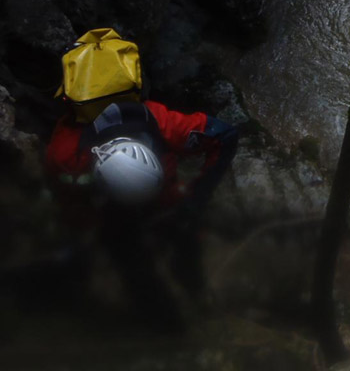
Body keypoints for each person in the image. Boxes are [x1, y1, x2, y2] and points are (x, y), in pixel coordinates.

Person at [45, 29, 238, 329]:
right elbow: (223, 135)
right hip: (168, 210)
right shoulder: (160, 122)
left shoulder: (66, 151)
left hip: (123, 223)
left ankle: (174, 323)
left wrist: (83, 235)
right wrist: (198, 199)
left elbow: (70, 203)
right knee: (177, 259)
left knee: (144, 277)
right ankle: (191, 305)